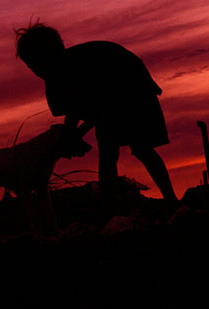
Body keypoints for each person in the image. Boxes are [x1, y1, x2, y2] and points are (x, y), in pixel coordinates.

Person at [14, 21, 177, 204]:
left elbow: (81, 108)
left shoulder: (70, 67)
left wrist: (70, 135)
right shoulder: (59, 73)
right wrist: (72, 134)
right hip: (114, 97)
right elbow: (88, 110)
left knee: (135, 148)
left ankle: (163, 200)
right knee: (114, 149)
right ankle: (115, 204)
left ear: (46, 57)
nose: (35, 70)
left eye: (34, 64)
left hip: (131, 89)